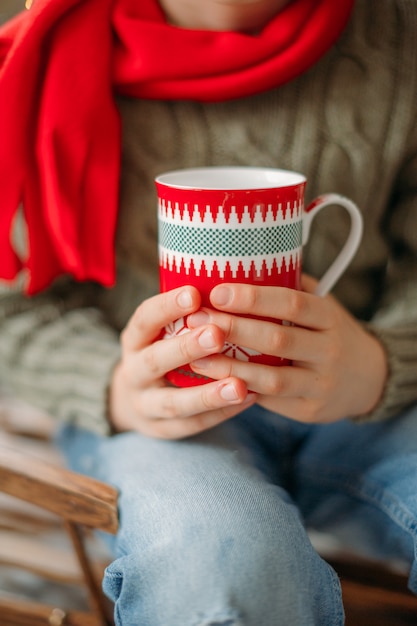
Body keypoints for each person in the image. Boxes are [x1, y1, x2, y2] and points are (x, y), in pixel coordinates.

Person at [1, 0, 417, 623]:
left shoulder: (401, 40)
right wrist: (114, 385)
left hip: (376, 405)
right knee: (219, 559)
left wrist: (381, 364)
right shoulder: (36, 62)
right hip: (156, 417)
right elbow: (11, 309)